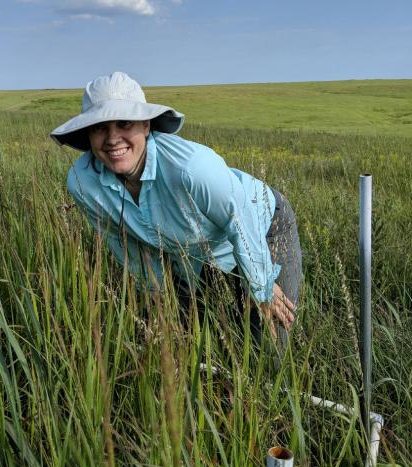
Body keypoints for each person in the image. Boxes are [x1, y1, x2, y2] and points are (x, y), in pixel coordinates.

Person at [50, 72, 301, 347]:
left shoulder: (191, 168)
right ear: (88, 134)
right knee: (197, 341)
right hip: (192, 250)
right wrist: (155, 296)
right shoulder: (83, 182)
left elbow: (238, 217)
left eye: (124, 124)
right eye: (100, 128)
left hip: (260, 226)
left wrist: (262, 286)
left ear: (146, 125)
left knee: (269, 344)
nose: (112, 139)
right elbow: (122, 242)